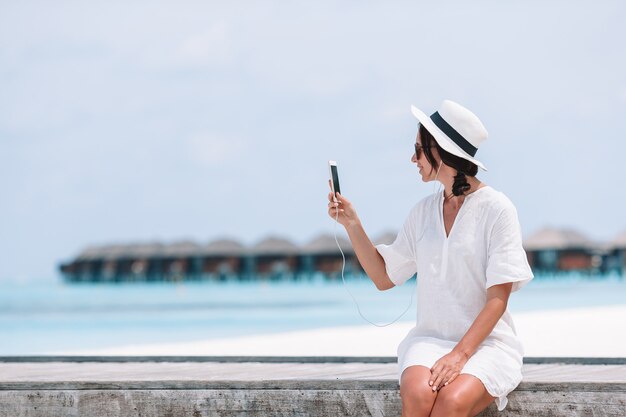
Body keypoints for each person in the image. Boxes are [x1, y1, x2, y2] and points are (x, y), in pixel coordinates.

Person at [326, 99, 533, 416]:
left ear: (441, 151)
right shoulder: (422, 213)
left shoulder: (497, 209)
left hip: (488, 345)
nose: (413, 158)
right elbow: (384, 278)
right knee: (420, 397)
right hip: (430, 341)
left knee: (451, 402)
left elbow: (498, 299)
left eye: (418, 149)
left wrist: (459, 357)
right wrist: (352, 224)